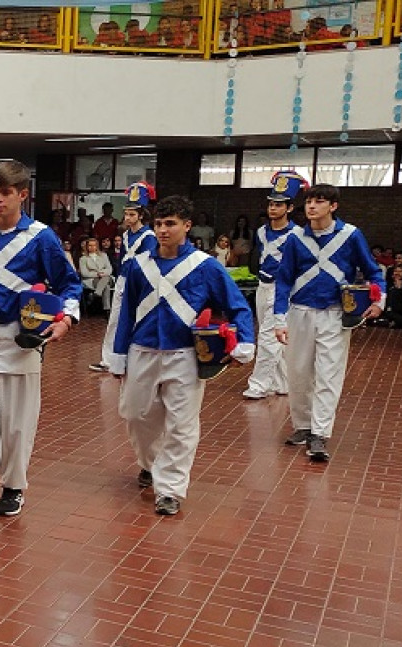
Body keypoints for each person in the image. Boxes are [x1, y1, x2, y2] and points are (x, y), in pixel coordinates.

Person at [0, 161, 81, 527]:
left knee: (18, 423)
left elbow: (69, 283)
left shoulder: (42, 237)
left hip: (22, 340)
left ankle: (13, 486)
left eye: (5, 193)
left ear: (22, 195)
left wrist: (66, 319)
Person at [110, 195, 255, 517]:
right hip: (142, 350)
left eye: (170, 224)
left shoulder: (206, 267)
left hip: (186, 355)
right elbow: (125, 315)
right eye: (158, 224)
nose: (163, 230)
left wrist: (243, 340)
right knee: (135, 415)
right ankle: (150, 464)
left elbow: (237, 305)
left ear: (186, 226)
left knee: (182, 424)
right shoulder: (137, 266)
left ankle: (171, 489)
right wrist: (117, 355)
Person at [273, 183, 385, 462]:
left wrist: (378, 300)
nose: (311, 206)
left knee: (329, 374)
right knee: (298, 372)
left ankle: (320, 434)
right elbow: (284, 279)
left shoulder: (350, 235)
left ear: (333, 206)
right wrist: (279, 318)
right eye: (309, 201)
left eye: (319, 201)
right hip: (299, 311)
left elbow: (373, 271)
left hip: (336, 313)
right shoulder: (296, 238)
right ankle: (302, 426)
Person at [243, 172, 306, 400]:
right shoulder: (260, 232)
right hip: (263, 285)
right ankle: (282, 382)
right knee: (269, 334)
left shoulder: (298, 235)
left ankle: (259, 384)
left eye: (278, 205)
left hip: (283, 290)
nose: (273, 208)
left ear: (289, 208)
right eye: (271, 204)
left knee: (269, 338)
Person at [91, 182, 157, 372]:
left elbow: (148, 265)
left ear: (141, 215)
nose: (127, 218)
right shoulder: (126, 235)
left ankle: (132, 358)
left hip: (137, 284)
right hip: (122, 280)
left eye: (131, 214)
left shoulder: (149, 237)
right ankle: (108, 359)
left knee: (135, 319)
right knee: (115, 320)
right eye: (126, 213)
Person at [79, 236, 114, 312]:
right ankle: (107, 310)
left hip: (106, 276)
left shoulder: (103, 255)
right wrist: (97, 274)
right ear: (87, 246)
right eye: (90, 245)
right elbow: (84, 273)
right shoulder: (83, 258)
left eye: (94, 245)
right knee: (106, 286)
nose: (92, 247)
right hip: (93, 280)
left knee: (106, 278)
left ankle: (96, 293)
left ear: (97, 246)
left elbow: (110, 269)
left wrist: (103, 273)